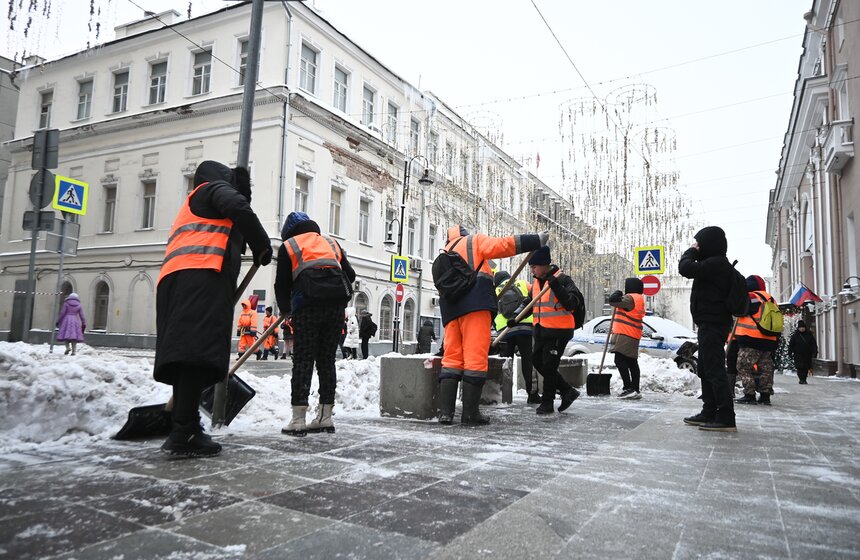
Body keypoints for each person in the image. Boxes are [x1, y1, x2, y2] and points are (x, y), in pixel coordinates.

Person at [154, 160, 272, 458]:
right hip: (201, 276)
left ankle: (183, 425)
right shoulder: (212, 190)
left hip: (176, 280)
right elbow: (240, 210)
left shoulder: (196, 201)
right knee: (194, 354)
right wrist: (262, 244)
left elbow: (235, 221)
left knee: (185, 355)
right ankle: (185, 431)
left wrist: (243, 190)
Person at [437, 225, 547, 425]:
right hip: (475, 306)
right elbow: (503, 245)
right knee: (475, 358)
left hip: (451, 311)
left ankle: (446, 413)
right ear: (465, 233)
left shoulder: (446, 251)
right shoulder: (473, 242)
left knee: (451, 357)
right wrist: (535, 240)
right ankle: (470, 414)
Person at [276, 211, 356, 437]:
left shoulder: (290, 246)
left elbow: (281, 285)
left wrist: (286, 311)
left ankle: (298, 420)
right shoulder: (330, 243)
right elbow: (349, 274)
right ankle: (325, 417)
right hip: (335, 310)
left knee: (303, 360)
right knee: (326, 361)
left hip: (307, 308)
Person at [678, 226, 736, 432]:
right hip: (709, 325)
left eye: (700, 243)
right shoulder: (714, 264)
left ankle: (726, 416)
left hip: (713, 325)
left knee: (715, 370)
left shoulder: (716, 264)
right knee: (705, 369)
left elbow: (684, 268)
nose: (697, 246)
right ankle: (709, 411)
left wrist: (691, 251)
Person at [527, 246, 584, 415]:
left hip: (559, 331)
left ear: (545, 264)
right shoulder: (537, 283)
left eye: (534, 266)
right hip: (541, 330)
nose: (532, 270)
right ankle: (567, 390)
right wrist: (515, 316)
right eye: (531, 267)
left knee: (549, 366)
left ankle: (547, 402)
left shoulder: (563, 280)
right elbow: (529, 302)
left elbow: (572, 303)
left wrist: (557, 286)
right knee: (537, 361)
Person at [493, 270, 539, 404]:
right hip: (525, 327)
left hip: (505, 331)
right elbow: (535, 298)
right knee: (528, 361)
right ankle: (532, 394)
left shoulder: (495, 291)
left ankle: (504, 396)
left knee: (506, 363)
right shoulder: (523, 284)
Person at [734, 275, 779, 405]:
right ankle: (765, 395)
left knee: (743, 366)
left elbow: (739, 310)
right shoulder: (770, 299)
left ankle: (749, 394)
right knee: (765, 367)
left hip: (752, 339)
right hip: (769, 339)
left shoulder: (753, 297)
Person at [608, 277, 646, 399]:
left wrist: (618, 293)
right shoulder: (638, 298)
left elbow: (613, 300)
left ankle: (628, 388)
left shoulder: (630, 298)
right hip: (632, 334)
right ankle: (635, 389)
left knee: (619, 360)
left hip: (626, 334)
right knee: (631, 362)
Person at [789, 320, 817, 384]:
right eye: (800, 327)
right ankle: (801, 379)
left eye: (803, 327)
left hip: (807, 354)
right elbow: (791, 344)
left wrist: (815, 352)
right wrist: (790, 352)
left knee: (806, 367)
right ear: (798, 328)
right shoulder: (795, 335)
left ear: (805, 328)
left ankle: (804, 379)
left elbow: (813, 344)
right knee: (799, 367)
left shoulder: (809, 335)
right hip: (798, 354)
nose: (802, 329)